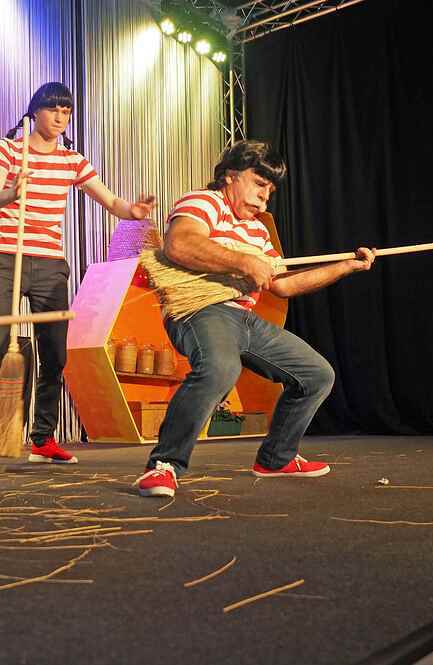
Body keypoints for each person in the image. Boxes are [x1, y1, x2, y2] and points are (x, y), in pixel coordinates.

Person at [134, 140, 376, 497]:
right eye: (259, 184)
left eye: (270, 191)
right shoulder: (204, 202)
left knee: (316, 374)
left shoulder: (258, 231)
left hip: (244, 320)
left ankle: (276, 458)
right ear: (231, 176)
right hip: (202, 311)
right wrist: (244, 262)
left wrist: (345, 266)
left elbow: (284, 284)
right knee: (220, 368)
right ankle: (164, 464)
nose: (265, 197)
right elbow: (179, 244)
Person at [0, 82, 154, 467]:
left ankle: (43, 438)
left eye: (66, 112)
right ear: (35, 112)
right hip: (7, 258)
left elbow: (110, 199)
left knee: (55, 353)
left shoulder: (72, 160)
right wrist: (12, 192)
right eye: (53, 110)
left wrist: (132, 211)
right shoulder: (8, 149)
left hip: (50, 264)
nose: (60, 118)